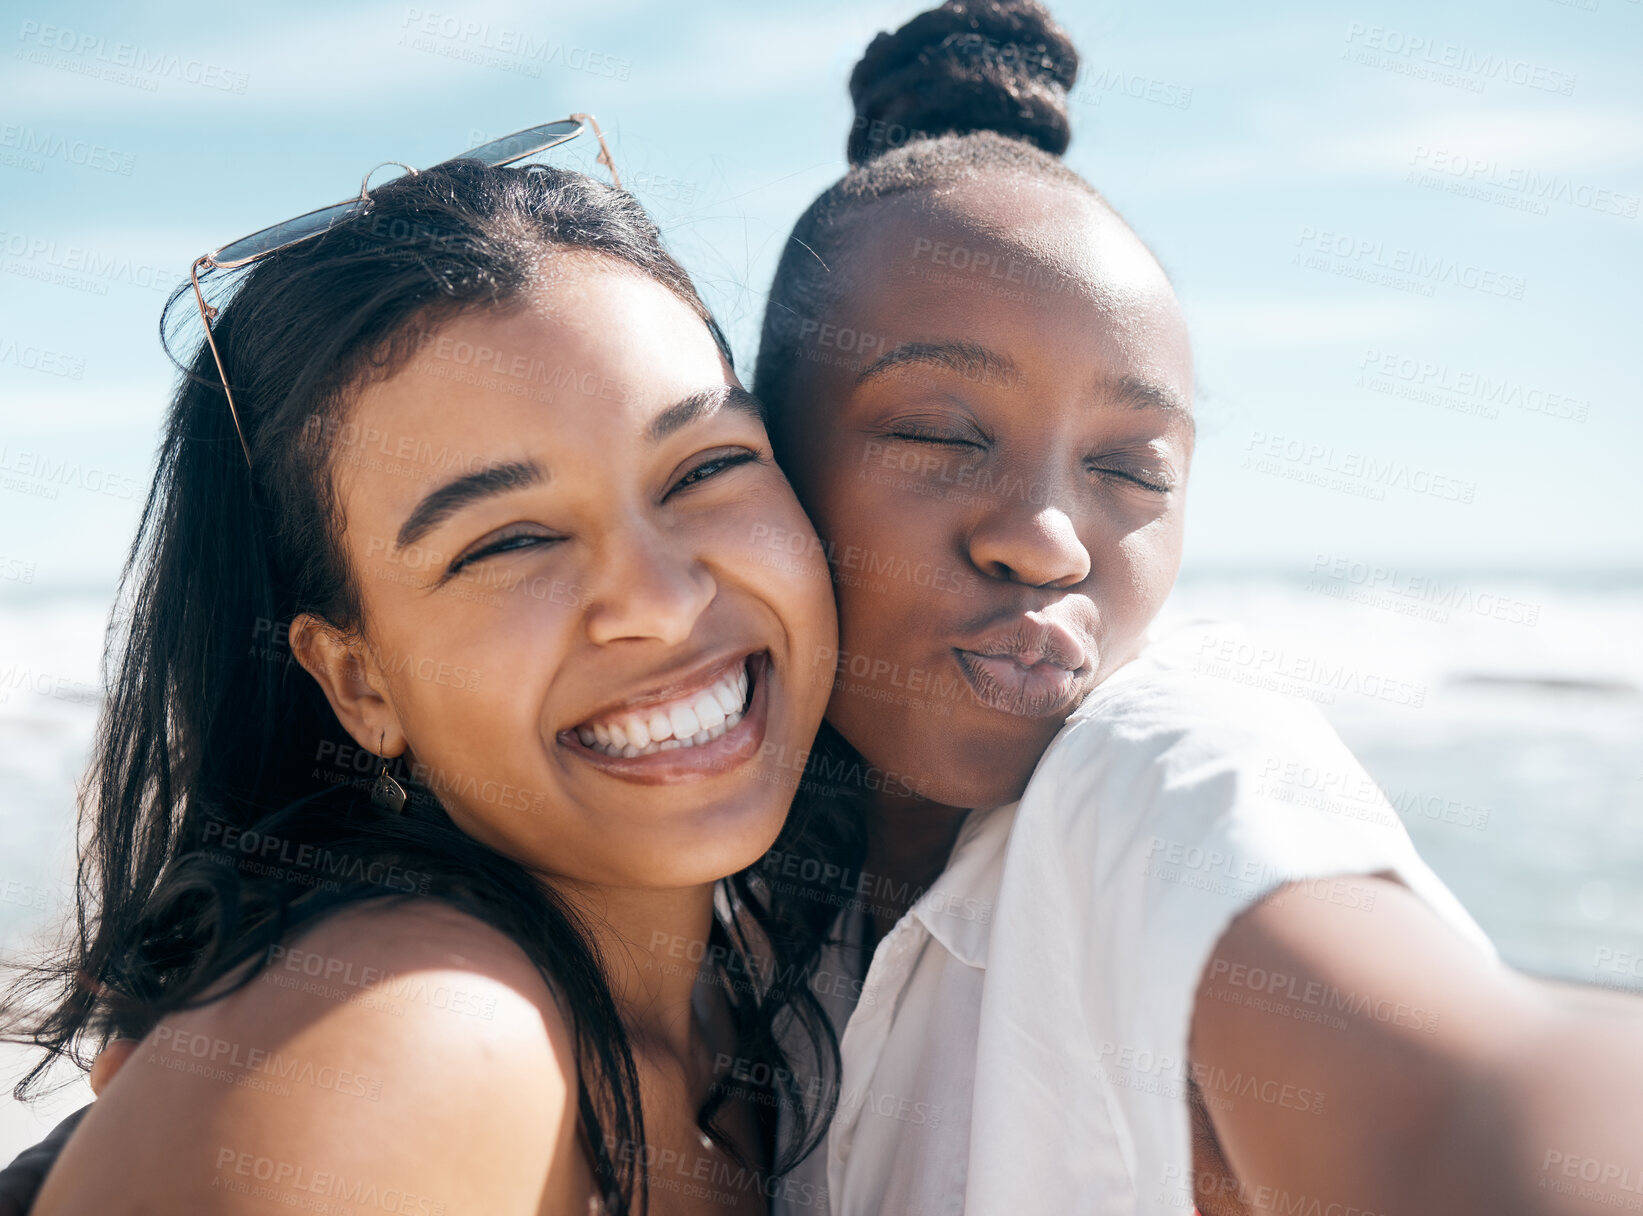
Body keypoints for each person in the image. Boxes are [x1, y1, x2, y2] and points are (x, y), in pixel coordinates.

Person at [748, 1, 1643, 1213]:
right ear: (764, 471)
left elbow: (1471, 1100)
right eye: (938, 433)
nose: (1049, 538)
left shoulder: (1162, 778)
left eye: (1128, 469)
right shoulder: (698, 866)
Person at [3, 135, 843, 1215]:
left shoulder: (765, 975)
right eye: (506, 543)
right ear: (358, 682)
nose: (661, 598)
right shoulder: (420, 1036)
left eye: (708, 466)